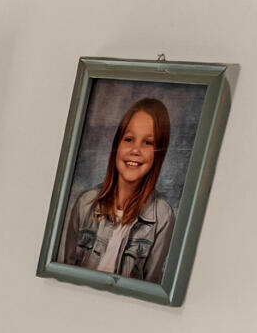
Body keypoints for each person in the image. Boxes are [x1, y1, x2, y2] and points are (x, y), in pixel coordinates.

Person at [56, 96, 178, 281]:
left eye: (148, 143)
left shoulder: (163, 217)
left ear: (158, 154)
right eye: (129, 139)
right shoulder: (85, 203)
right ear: (117, 146)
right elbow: (66, 274)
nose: (135, 150)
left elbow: (149, 286)